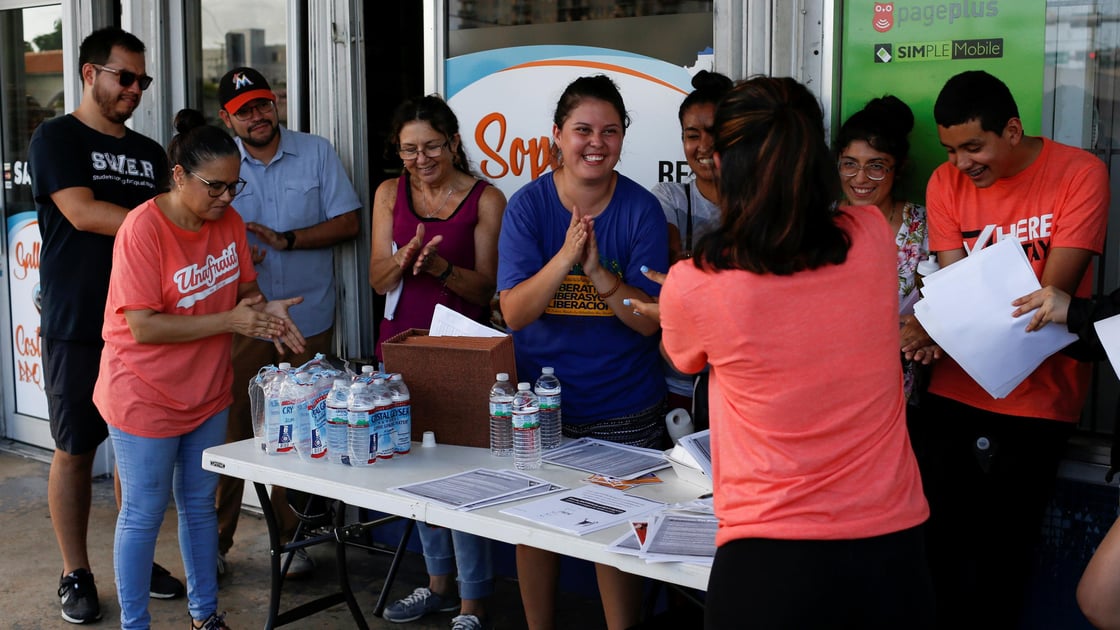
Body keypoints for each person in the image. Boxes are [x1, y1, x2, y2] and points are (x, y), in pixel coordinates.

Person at [646, 75, 934, 629]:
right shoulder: (871, 235)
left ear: (728, 163)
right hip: (890, 544)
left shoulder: (696, 280)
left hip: (768, 554)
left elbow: (681, 357)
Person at [903, 70, 1109, 628]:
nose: (961, 163)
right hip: (953, 391)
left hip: (1040, 398)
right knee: (935, 553)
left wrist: (944, 324)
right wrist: (937, 327)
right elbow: (957, 293)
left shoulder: (1079, 173)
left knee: (1002, 562)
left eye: (974, 146)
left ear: (1012, 130)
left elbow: (1049, 303)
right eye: (950, 150)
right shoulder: (946, 184)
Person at [93, 109, 304, 630]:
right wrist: (228, 320)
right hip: (144, 394)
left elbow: (243, 291)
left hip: (207, 391)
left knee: (198, 506)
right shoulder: (142, 229)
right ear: (180, 175)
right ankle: (134, 623)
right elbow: (143, 326)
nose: (227, 199)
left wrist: (263, 309)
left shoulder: (227, 223)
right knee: (142, 512)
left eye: (236, 187)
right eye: (215, 187)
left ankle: (205, 615)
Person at [497, 75, 668, 630]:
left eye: (610, 131)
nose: (596, 143)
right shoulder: (527, 207)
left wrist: (598, 273)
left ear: (623, 138)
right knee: (534, 528)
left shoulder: (641, 209)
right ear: (557, 135)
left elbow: (648, 324)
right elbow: (515, 312)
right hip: (540, 407)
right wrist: (567, 255)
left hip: (624, 405)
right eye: (582, 130)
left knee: (618, 534)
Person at [27, 26, 184, 624]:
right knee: (74, 448)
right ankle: (75, 571)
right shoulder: (56, 137)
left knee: (133, 456)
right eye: (125, 77)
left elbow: (182, 215)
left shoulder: (149, 153)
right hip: (77, 321)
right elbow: (83, 212)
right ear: (90, 73)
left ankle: (133, 559)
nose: (135, 90)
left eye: (142, 80)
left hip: (144, 323)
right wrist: (168, 231)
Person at [213, 66, 361, 578]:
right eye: (244, 110)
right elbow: (198, 230)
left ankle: (290, 541)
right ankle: (216, 543)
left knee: (304, 430)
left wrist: (288, 239)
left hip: (306, 317)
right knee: (230, 430)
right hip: (243, 320)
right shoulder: (221, 166)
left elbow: (349, 221)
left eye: (263, 104)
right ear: (226, 118)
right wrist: (233, 251)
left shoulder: (316, 151)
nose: (257, 116)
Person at [369, 94, 506, 630]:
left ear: (452, 141)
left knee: (464, 476)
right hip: (402, 346)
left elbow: (489, 287)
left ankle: (472, 602)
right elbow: (377, 279)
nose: (420, 159)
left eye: (430, 146)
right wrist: (402, 261)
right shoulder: (388, 193)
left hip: (461, 349)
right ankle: (436, 586)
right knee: (417, 470)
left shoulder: (485, 199)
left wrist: (443, 267)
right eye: (408, 150)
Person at [835, 95, 929, 400]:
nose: (860, 178)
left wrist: (927, 324)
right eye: (850, 165)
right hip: (828, 394)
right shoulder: (817, 228)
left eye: (876, 167)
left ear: (898, 168)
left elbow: (952, 305)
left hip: (900, 398)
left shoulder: (924, 227)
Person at [649, 70, 732, 416]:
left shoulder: (761, 206)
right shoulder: (670, 198)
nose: (704, 146)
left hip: (739, 385)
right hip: (679, 384)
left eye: (714, 133)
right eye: (692, 135)